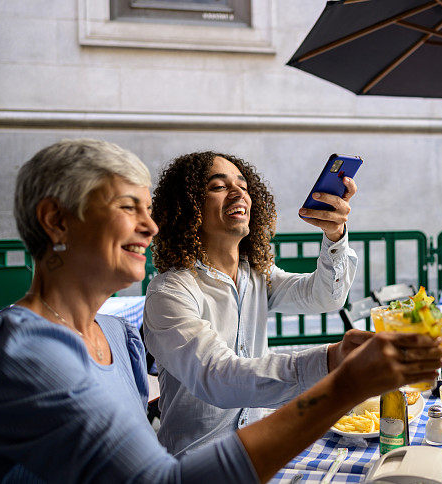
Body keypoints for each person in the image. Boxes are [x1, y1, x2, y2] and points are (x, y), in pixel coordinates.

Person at [0, 139, 442, 483]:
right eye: (128, 206)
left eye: (149, 208)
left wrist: (336, 240)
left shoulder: (115, 334)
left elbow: (324, 296)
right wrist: (340, 375)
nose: (150, 225)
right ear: (56, 221)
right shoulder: (24, 353)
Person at [143, 151, 365, 455]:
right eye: (218, 186)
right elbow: (219, 378)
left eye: (244, 186)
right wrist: (330, 360)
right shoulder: (170, 292)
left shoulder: (256, 275)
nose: (239, 193)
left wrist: (335, 234)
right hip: (196, 466)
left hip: (260, 452)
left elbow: (325, 296)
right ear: (187, 207)